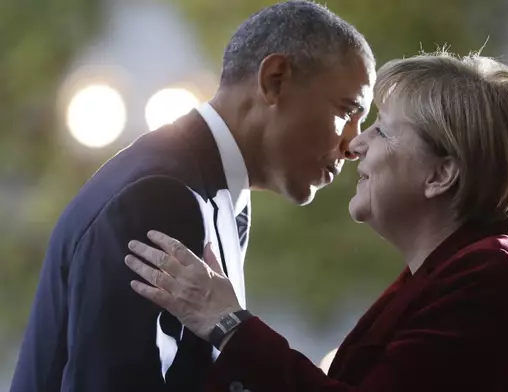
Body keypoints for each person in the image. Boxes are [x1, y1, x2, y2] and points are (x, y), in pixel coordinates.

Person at [125, 50, 508, 392]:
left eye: (384, 130)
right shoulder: (466, 270)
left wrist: (226, 322)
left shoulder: (491, 276)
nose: (356, 145)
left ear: (440, 174)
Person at [10, 2, 374, 391]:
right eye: (347, 110)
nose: (354, 144)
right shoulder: (159, 194)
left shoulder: (213, 190)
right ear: (275, 79)